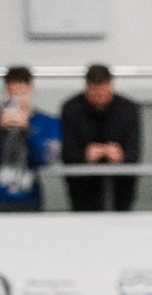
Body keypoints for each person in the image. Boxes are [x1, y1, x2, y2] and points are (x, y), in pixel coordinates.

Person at [58, 64, 143, 212]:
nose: (100, 98)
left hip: (121, 189)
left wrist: (120, 156)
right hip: (83, 189)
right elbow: (67, 153)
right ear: (87, 86)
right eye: (95, 93)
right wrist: (85, 155)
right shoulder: (71, 108)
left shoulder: (127, 109)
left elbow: (134, 152)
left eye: (104, 93)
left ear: (111, 84)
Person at [0, 66, 59, 212]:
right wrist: (0, 131)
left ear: (31, 90)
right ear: (6, 92)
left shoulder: (45, 121)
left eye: (23, 93)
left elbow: (48, 159)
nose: (18, 99)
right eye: (13, 94)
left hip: (29, 199)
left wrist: (28, 131)